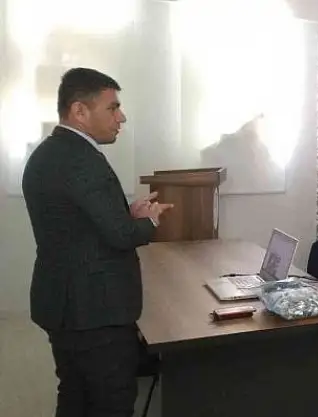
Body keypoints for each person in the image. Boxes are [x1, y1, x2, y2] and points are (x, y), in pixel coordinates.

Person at [22, 68, 174, 417]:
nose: (122, 117)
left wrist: (127, 214)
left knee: (75, 394)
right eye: (113, 108)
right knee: (111, 401)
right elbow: (122, 236)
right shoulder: (82, 160)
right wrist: (149, 221)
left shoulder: (49, 153)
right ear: (79, 111)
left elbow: (78, 225)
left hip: (63, 302)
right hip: (94, 310)